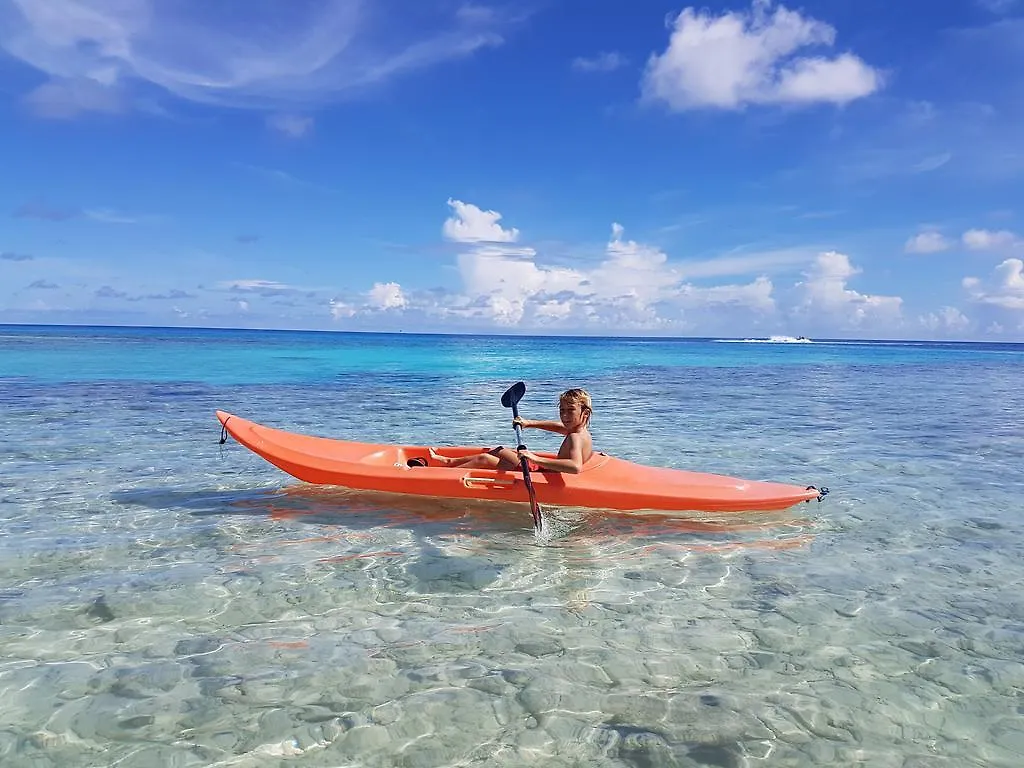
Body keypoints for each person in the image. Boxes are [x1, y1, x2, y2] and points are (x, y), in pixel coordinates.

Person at [428, 388, 594, 474]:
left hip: (544, 473)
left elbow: (574, 467)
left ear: (585, 413)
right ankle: (448, 462)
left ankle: (442, 476)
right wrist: (529, 423)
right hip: (544, 468)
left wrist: (534, 458)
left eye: (570, 410)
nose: (564, 415)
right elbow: (559, 427)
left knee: (484, 459)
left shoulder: (574, 437)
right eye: (562, 410)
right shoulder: (580, 431)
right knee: (499, 450)